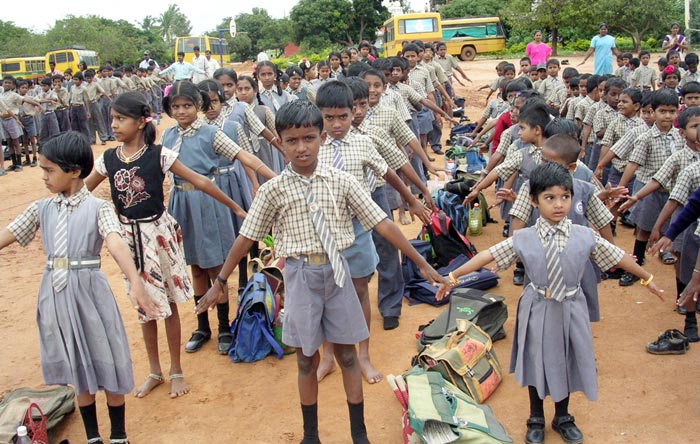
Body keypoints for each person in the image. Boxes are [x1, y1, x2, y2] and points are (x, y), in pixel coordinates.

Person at [195, 99, 445, 444]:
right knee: (305, 360)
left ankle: (359, 434)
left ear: (321, 138)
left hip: (338, 274)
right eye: (292, 140)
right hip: (299, 278)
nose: (301, 148)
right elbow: (246, 236)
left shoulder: (342, 182)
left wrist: (423, 264)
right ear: (280, 143)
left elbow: (382, 223)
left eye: (309, 138)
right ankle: (310, 435)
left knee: (347, 355)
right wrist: (220, 281)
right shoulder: (273, 190)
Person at [440, 162, 664, 444]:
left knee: (567, 360)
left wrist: (647, 278)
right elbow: (488, 255)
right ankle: (535, 417)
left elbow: (617, 256)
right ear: (534, 201)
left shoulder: (585, 235)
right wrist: (454, 276)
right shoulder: (523, 238)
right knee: (536, 360)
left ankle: (563, 416)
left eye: (565, 197)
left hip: (571, 307)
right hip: (538, 306)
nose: (559, 204)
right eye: (550, 198)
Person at [0, 131, 161, 444]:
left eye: (49, 170)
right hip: (56, 295)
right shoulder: (41, 208)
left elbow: (115, 242)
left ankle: (118, 435)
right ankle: (92, 437)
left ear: (74, 171)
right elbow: (9, 233)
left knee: (106, 355)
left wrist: (135, 282)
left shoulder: (98, 208)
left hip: (89, 294)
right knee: (78, 366)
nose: (44, 177)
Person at [312, 80, 431, 384]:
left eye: (343, 116)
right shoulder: (314, 145)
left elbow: (388, 172)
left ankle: (363, 355)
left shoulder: (363, 143)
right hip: (322, 230)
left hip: (358, 227)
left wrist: (411, 199)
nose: (336, 124)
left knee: (360, 289)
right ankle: (328, 356)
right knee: (326, 293)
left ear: (352, 113)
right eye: (329, 117)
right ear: (319, 115)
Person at [161, 81, 275, 355]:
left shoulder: (211, 133)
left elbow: (243, 155)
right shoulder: (167, 136)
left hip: (208, 203)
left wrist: (274, 178)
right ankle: (203, 327)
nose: (181, 111)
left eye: (187, 105)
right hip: (181, 205)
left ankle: (224, 327)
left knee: (215, 267)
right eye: (175, 106)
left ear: (198, 105)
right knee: (196, 268)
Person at [616, 89, 683, 286]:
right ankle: (636, 264)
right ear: (653, 112)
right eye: (662, 111)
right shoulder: (646, 138)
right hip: (649, 190)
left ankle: (664, 253)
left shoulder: (680, 137)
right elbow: (633, 164)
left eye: (672, 111)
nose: (667, 116)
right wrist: (620, 189)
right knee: (644, 229)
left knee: (669, 227)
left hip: (673, 192)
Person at [2, 75, 41, 172]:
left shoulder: (14, 95)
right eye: (5, 82)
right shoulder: (1, 94)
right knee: (9, 142)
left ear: (13, 85)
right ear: (2, 83)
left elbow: (25, 99)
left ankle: (19, 164)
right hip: (3, 120)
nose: (7, 84)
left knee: (16, 142)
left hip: (12, 119)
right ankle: (14, 163)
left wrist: (37, 104)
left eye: (9, 83)